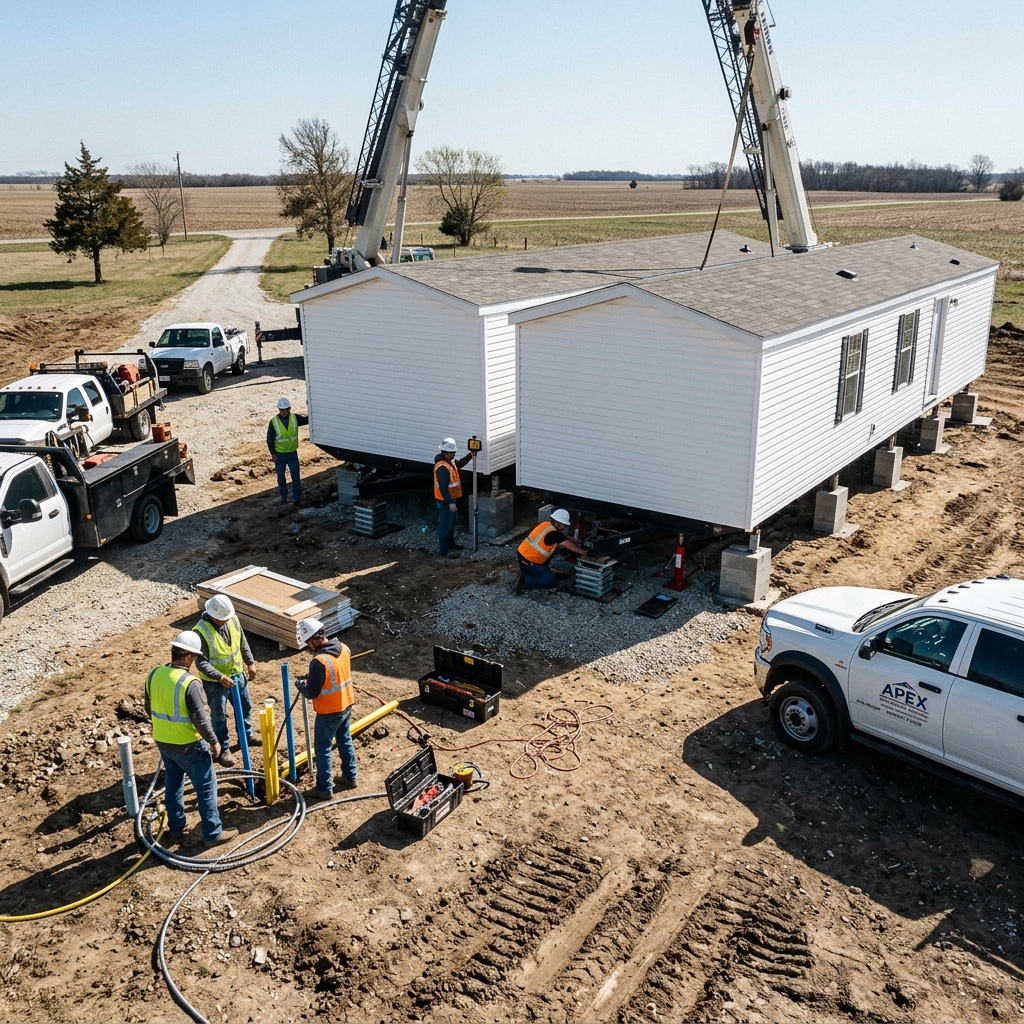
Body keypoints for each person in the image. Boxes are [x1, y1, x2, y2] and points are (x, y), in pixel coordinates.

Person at [144, 632, 238, 847]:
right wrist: (214, 741)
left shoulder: (154, 673)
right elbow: (200, 719)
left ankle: (176, 827)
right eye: (194, 657)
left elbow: (148, 708)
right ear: (188, 656)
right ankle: (212, 833)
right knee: (206, 786)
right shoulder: (189, 682)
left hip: (163, 741)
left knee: (173, 783)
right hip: (188, 745)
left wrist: (166, 729)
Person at [294, 617, 357, 800]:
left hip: (329, 711)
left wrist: (301, 685)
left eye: (308, 642)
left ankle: (323, 788)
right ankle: (350, 776)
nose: (308, 646)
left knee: (323, 749)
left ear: (314, 639)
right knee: (344, 739)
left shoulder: (319, 661)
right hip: (346, 703)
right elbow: (335, 673)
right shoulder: (343, 648)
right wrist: (314, 677)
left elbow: (311, 693)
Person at [193, 595, 257, 768]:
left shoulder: (232, 619)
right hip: (215, 682)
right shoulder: (200, 631)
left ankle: (246, 736)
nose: (224, 621)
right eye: (221, 619)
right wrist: (220, 677)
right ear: (211, 614)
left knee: (245, 706)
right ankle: (224, 749)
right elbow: (201, 662)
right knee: (219, 715)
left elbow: (242, 641)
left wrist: (250, 662)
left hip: (237, 673)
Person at [516, 508, 587, 590]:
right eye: (565, 525)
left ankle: (534, 573)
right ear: (559, 524)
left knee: (546, 568)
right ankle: (526, 580)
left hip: (522, 557)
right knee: (551, 582)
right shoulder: (555, 535)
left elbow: (560, 537)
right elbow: (567, 544)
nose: (564, 528)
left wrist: (573, 540)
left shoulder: (545, 524)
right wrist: (583, 552)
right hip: (530, 563)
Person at [433, 438, 472, 557]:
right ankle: (443, 552)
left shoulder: (450, 462)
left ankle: (451, 544)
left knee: (450, 523)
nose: (452, 454)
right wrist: (450, 502)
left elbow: (459, 464)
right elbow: (443, 487)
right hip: (445, 501)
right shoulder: (442, 467)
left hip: (449, 499)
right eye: (450, 453)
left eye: (453, 452)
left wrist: (471, 455)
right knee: (445, 524)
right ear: (445, 452)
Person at [267, 397, 309, 504]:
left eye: (286, 410)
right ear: (279, 409)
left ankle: (297, 498)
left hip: (292, 453)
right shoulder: (274, 422)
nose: (284, 412)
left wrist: (310, 406)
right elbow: (269, 439)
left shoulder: (295, 418)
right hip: (280, 455)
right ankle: (283, 497)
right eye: (282, 410)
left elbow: (307, 420)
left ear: (289, 409)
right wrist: (273, 453)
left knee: (295, 477)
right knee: (281, 477)